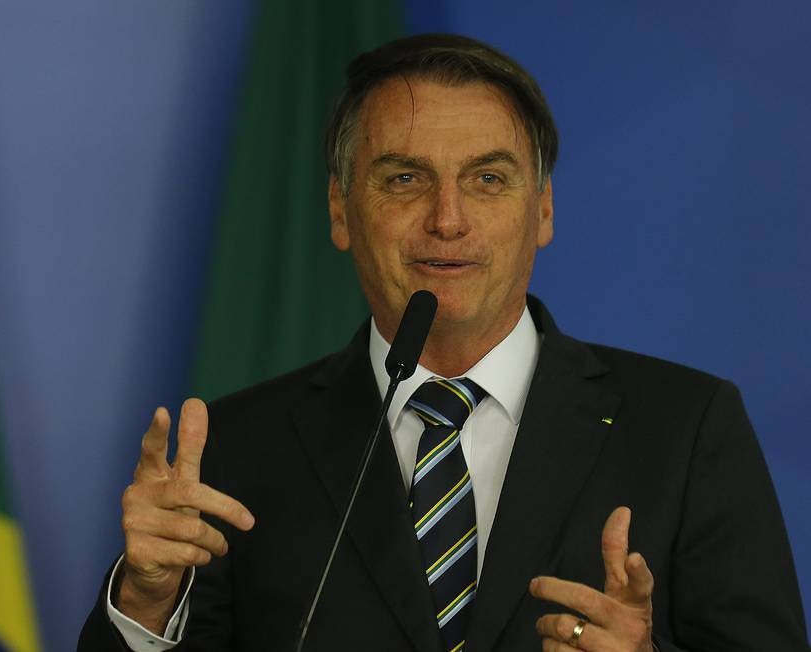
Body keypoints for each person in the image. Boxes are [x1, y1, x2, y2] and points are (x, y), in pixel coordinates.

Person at [78, 34, 809, 651]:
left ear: (544, 209)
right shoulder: (238, 449)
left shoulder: (686, 428)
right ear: (340, 211)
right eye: (404, 179)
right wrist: (145, 602)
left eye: (488, 179)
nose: (448, 220)